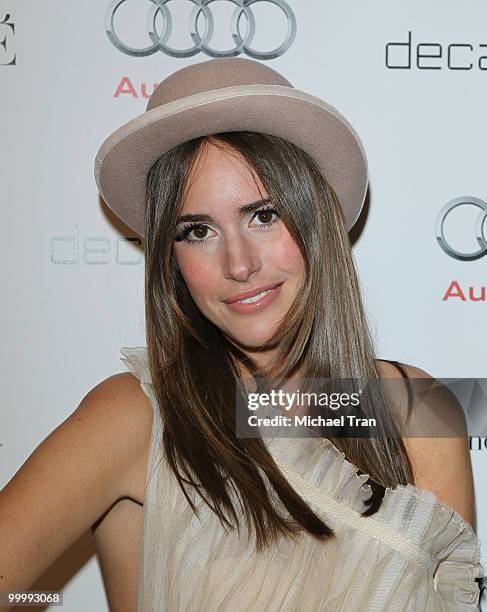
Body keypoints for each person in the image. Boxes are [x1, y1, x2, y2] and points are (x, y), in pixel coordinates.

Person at [0, 58, 483, 612]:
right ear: (169, 258)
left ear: (314, 220)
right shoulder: (138, 417)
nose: (238, 263)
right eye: (197, 230)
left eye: (263, 215)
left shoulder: (415, 412)